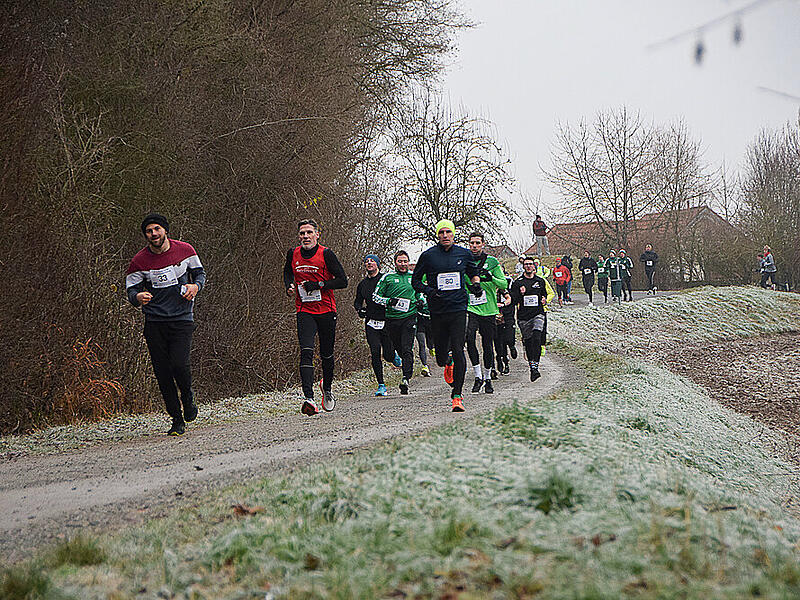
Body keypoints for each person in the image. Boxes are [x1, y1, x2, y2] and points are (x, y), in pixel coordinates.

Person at [126, 213, 206, 436]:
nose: (153, 234)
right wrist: (137, 297)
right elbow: (131, 290)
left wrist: (195, 287)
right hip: (155, 321)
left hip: (181, 318)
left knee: (179, 365)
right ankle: (176, 419)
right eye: (149, 231)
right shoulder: (139, 261)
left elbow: (200, 273)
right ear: (146, 236)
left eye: (157, 229)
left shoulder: (185, 250)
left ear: (165, 230)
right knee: (162, 372)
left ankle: (188, 397)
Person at [411, 219, 480, 412]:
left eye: (448, 232)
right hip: (437, 310)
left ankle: (457, 396)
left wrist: (475, 285)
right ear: (437, 235)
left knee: (459, 348)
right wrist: (429, 290)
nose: (445, 236)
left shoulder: (464, 254)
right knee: (441, 356)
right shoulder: (428, 256)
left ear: (454, 234)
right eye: (441, 232)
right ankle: (446, 361)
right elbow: (415, 281)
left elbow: (474, 273)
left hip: (458, 307)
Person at [283, 219, 348, 416]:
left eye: (309, 232)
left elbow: (342, 281)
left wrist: (319, 285)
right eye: (302, 233)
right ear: (298, 236)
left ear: (317, 235)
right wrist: (289, 286)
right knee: (306, 351)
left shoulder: (326, 254)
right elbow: (287, 272)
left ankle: (326, 389)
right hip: (305, 310)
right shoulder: (292, 254)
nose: (305, 236)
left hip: (326, 310)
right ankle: (309, 398)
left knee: (327, 353)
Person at [373, 250, 420, 395]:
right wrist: (389, 301)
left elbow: (421, 293)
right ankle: (404, 368)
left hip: (410, 316)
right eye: (400, 261)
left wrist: (421, 301)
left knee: (407, 348)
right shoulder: (388, 277)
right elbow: (375, 296)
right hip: (392, 319)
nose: (403, 264)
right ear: (395, 263)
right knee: (399, 348)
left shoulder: (414, 276)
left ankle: (406, 378)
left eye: (405, 261)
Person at [466, 233, 508, 394]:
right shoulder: (465, 261)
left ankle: (488, 377)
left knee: (487, 344)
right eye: (472, 243)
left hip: (489, 309)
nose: (474, 246)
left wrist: (490, 278)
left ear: (483, 244)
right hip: (471, 307)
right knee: (469, 338)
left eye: (477, 243)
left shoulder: (492, 262)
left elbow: (503, 283)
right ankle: (477, 376)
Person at [353, 254, 400, 397]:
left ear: (378, 264)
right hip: (371, 322)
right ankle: (381, 385)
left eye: (372, 261)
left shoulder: (385, 279)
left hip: (386, 321)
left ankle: (394, 356)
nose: (369, 263)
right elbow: (357, 301)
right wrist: (360, 310)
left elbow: (394, 296)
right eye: (366, 261)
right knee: (374, 351)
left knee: (387, 354)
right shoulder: (362, 284)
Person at [509, 256, 553, 382]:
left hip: (538, 314)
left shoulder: (540, 281)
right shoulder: (518, 282)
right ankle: (532, 368)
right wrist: (519, 293)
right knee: (529, 342)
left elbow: (545, 294)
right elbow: (513, 300)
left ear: (534, 266)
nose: (528, 266)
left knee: (537, 336)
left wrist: (544, 299)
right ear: (523, 266)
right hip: (524, 317)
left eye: (530, 264)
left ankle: (536, 366)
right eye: (526, 264)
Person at [494, 278, 516, 376]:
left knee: (508, 338)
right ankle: (500, 359)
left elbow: (509, 299)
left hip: (507, 316)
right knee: (498, 342)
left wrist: (502, 304)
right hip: (494, 317)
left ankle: (511, 348)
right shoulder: (487, 288)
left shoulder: (504, 289)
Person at [415, 293, 433, 377]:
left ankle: (431, 348)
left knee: (430, 345)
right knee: (421, 344)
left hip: (432, 320)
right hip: (420, 319)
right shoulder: (417, 289)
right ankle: (424, 366)